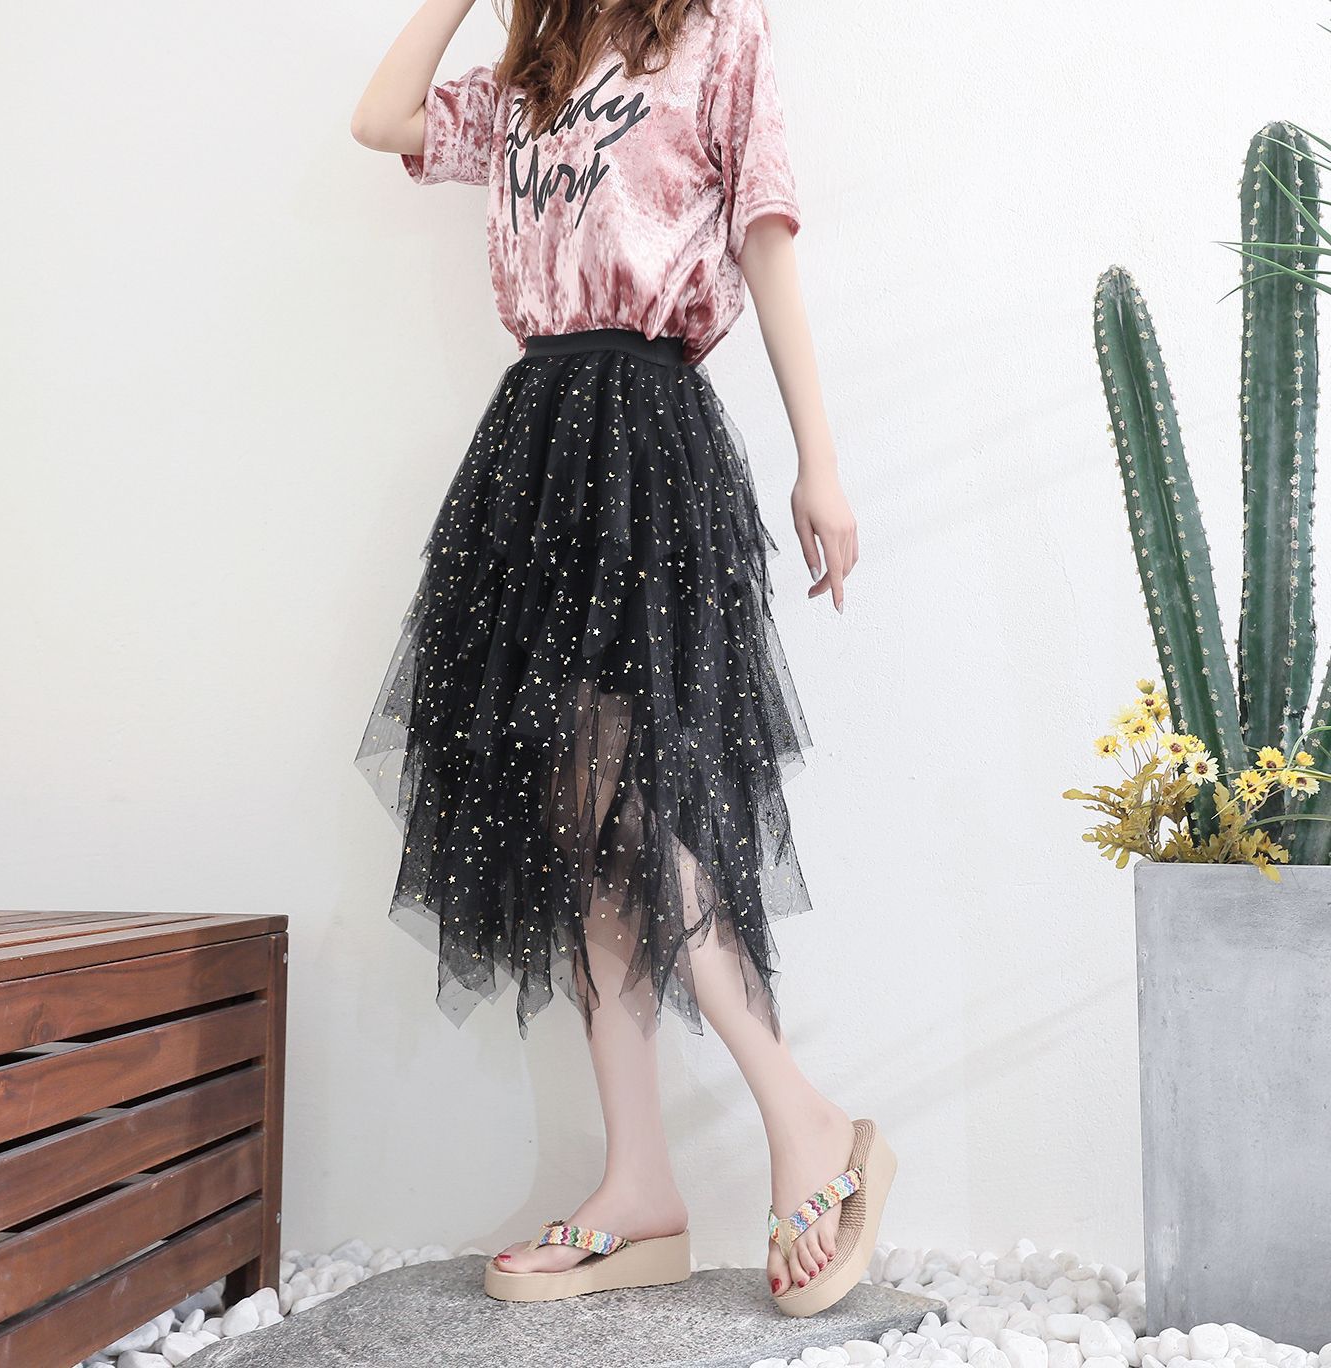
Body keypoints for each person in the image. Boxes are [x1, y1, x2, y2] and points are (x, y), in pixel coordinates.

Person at [351, 0, 895, 1319]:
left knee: (646, 810)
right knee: (578, 816)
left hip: (647, 440)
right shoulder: (529, 70)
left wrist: (820, 461)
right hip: (536, 445)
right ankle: (640, 1181)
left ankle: (807, 1120)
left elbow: (764, 234)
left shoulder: (717, 34)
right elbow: (381, 117)